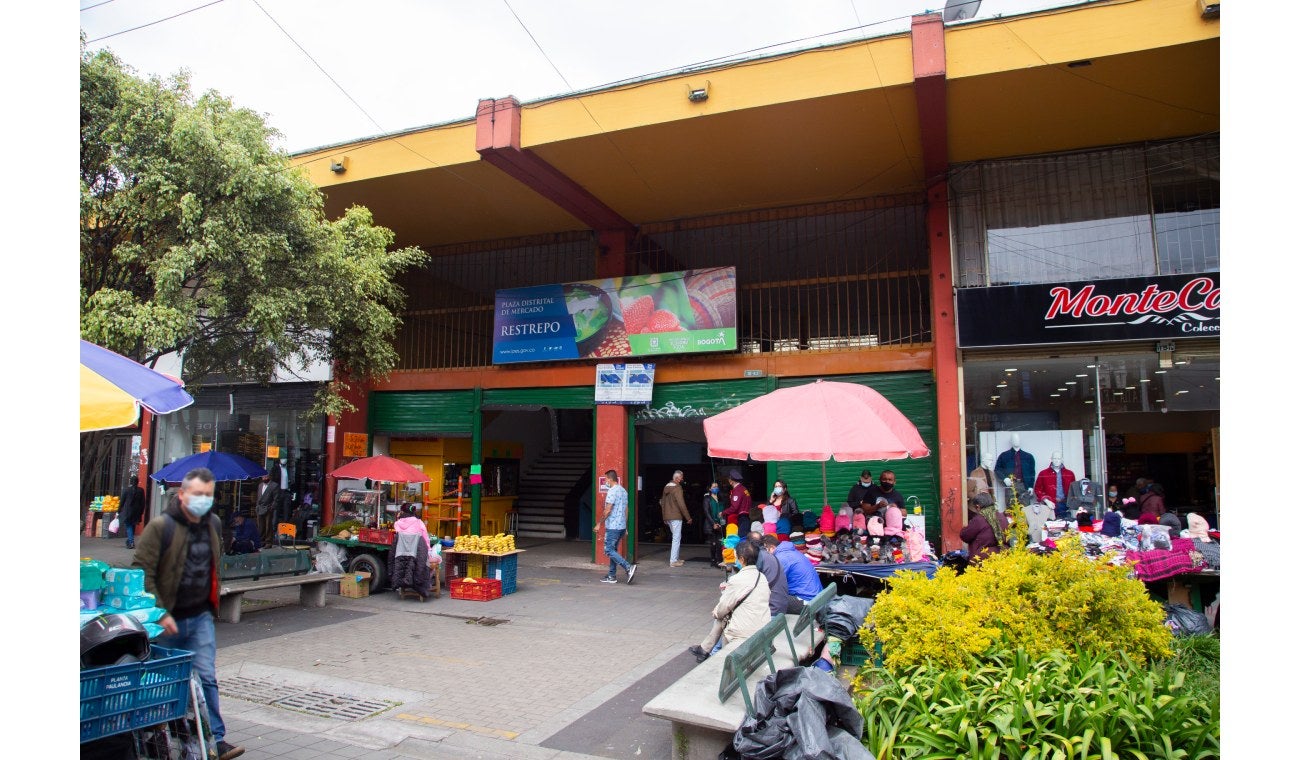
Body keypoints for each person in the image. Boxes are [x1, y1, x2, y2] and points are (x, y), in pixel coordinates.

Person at [132, 468, 244, 760]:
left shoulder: (212, 524)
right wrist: (159, 612)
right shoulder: (161, 527)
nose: (203, 500)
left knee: (206, 677)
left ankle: (215, 740)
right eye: (197, 494)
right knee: (164, 680)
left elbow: (213, 564)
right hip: (168, 620)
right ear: (182, 495)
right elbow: (141, 572)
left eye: (208, 495)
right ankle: (164, 738)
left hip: (200, 617)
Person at [686, 540, 771, 663]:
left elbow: (722, 609)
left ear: (742, 559)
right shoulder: (762, 577)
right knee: (725, 615)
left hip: (743, 634)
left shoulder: (737, 579)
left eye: (736, 556)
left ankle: (705, 650)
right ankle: (704, 649)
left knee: (721, 616)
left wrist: (716, 612)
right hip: (763, 627)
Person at [600, 469, 637, 584]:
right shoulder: (623, 491)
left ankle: (628, 567)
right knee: (613, 550)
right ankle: (612, 576)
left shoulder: (612, 491)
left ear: (610, 479)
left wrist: (599, 523)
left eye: (606, 479)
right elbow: (626, 510)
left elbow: (608, 510)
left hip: (613, 526)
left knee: (608, 550)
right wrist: (625, 526)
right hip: (621, 526)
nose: (605, 481)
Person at [747, 531, 792, 617]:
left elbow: (750, 584)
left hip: (772, 611)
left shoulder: (759, 557)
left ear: (749, 544)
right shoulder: (770, 555)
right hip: (780, 606)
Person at [770, 534, 823, 602]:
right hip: (815, 595)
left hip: (807, 599)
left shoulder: (781, 557)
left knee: (772, 597)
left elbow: (775, 583)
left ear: (771, 547)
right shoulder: (792, 551)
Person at [960, 493, 1008, 562]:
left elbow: (965, 536)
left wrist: (965, 528)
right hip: (1004, 555)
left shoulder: (979, 520)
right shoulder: (1002, 517)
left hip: (983, 558)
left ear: (978, 507)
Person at [660, 470, 692, 567]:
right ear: (677, 478)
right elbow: (681, 504)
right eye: (681, 477)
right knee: (676, 538)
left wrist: (664, 516)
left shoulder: (666, 487)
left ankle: (676, 558)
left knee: (676, 537)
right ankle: (673, 561)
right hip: (676, 516)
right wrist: (688, 517)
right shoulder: (678, 488)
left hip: (668, 517)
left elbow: (662, 503)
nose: (682, 479)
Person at [1032, 452, 1076, 519]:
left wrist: (1071, 505)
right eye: (1055, 458)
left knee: (1065, 524)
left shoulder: (1069, 474)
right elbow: (1037, 489)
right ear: (1051, 459)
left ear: (1062, 459)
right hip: (1049, 506)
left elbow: (1074, 491)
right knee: (1050, 524)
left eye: (1059, 458)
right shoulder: (1043, 473)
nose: (1057, 460)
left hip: (1065, 506)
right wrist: (1047, 501)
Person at [722, 469, 752, 536]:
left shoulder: (737, 491)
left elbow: (734, 507)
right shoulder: (744, 488)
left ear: (731, 481)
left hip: (742, 518)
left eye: (729, 479)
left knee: (742, 538)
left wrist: (723, 512)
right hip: (747, 516)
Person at [254, 473, 281, 549]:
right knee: (260, 526)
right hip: (260, 508)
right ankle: (261, 541)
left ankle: (268, 542)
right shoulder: (260, 485)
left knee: (268, 526)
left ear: (270, 476)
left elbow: (276, 499)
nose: (264, 478)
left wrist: (271, 508)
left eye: (266, 476)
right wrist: (257, 507)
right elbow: (258, 497)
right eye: (263, 476)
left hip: (268, 508)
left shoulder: (274, 485)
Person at [118, 479, 146, 550]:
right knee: (132, 525)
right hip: (137, 511)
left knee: (129, 525)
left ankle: (131, 542)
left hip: (128, 511)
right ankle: (129, 540)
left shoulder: (126, 490)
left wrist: (118, 511)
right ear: (137, 482)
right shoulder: (141, 490)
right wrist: (141, 512)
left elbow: (122, 502)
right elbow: (143, 502)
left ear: (130, 482)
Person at [702, 482, 725, 567]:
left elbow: (723, 511)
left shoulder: (720, 498)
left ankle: (719, 560)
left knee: (720, 543)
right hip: (711, 524)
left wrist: (722, 522)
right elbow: (706, 512)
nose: (716, 488)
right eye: (714, 486)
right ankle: (713, 559)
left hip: (720, 523)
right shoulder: (707, 498)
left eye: (717, 486)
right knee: (713, 543)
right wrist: (713, 523)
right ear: (710, 489)